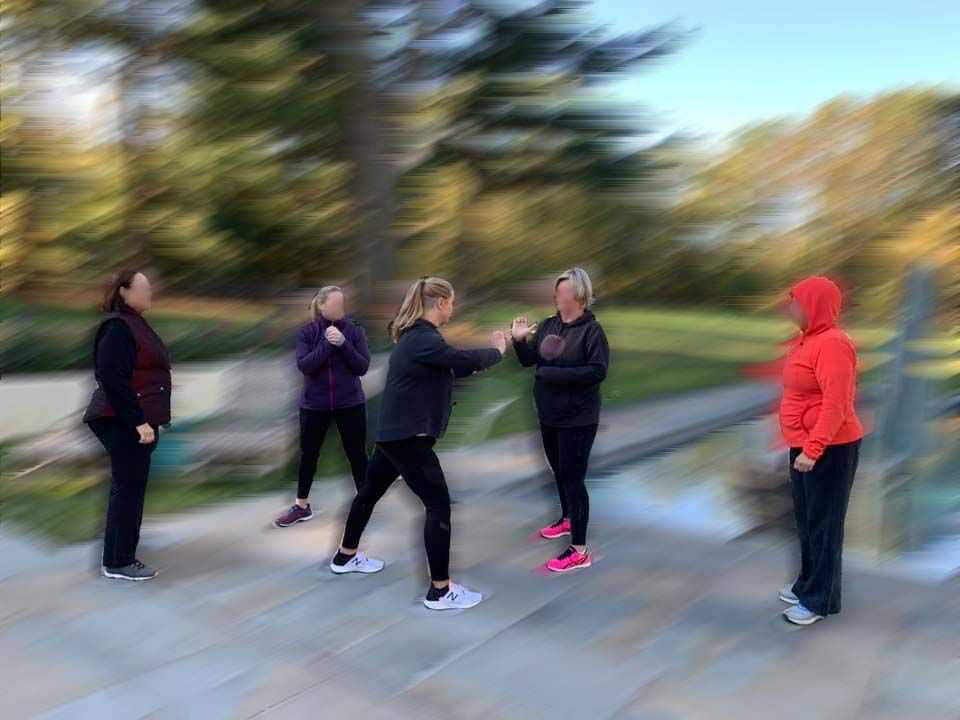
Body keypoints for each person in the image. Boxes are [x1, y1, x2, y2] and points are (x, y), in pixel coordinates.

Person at [329, 276, 506, 611]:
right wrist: (497, 351)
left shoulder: (416, 339)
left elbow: (449, 369)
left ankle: (345, 556)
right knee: (438, 506)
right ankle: (440, 591)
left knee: (367, 494)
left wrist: (473, 367)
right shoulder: (424, 338)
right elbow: (459, 359)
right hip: (408, 439)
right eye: (451, 302)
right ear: (440, 302)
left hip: (393, 435)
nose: (452, 309)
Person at [778, 276, 864, 626]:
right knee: (807, 520)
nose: (790, 307)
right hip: (805, 445)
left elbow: (836, 404)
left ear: (813, 306)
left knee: (825, 525)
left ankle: (819, 600)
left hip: (830, 448)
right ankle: (807, 585)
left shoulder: (832, 345)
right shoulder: (807, 341)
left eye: (796, 301)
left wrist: (813, 449)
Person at [511, 267, 609, 572]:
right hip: (549, 414)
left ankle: (579, 551)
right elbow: (531, 361)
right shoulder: (550, 325)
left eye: (564, 292)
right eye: (557, 291)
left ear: (579, 295)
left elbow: (597, 371)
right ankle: (568, 519)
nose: (558, 297)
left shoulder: (592, 332)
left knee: (573, 479)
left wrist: (553, 374)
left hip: (578, 418)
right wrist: (518, 341)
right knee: (558, 471)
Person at [83, 270, 171, 581]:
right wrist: (139, 422)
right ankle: (119, 561)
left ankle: (120, 556)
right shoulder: (118, 326)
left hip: (133, 419)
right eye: (144, 288)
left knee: (130, 488)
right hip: (122, 420)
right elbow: (111, 376)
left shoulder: (134, 323)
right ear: (124, 291)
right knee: (128, 488)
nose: (150, 293)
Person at [274, 286, 372, 527]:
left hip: (350, 403)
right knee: (309, 456)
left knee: (357, 454)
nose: (341, 309)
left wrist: (343, 344)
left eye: (343, 304)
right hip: (314, 406)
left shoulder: (354, 331)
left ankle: (366, 503)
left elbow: (362, 366)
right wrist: (328, 345)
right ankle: (301, 506)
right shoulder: (307, 333)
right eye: (336, 304)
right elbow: (305, 365)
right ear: (322, 305)